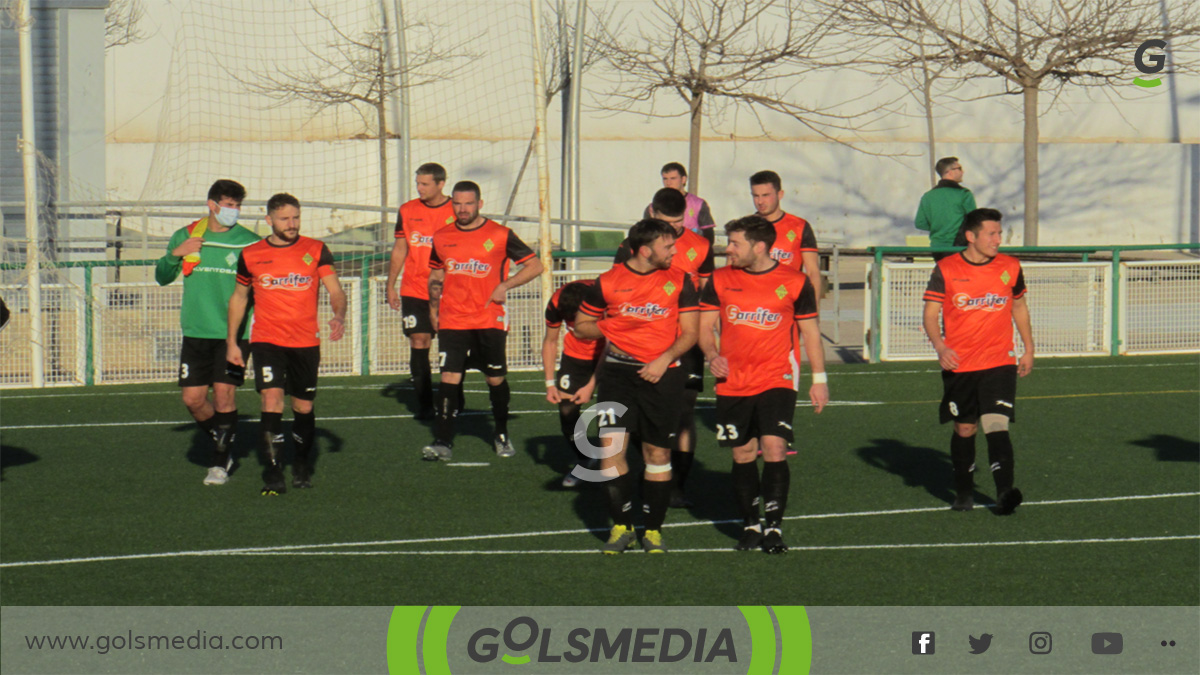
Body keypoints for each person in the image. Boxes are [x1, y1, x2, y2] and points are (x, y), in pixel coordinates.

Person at [699, 215, 828, 554]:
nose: (728, 250)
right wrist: (712, 354)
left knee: (774, 447)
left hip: (777, 377)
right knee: (742, 453)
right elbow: (704, 327)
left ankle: (773, 527)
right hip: (732, 381)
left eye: (735, 243)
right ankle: (750, 524)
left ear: (759, 246)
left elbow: (811, 333)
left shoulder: (797, 282)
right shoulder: (720, 279)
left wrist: (820, 379)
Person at [574, 218, 700, 554]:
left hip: (663, 375)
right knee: (611, 451)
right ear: (645, 250)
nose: (675, 250)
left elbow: (690, 333)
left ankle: (653, 531)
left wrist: (663, 360)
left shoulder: (681, 280)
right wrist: (613, 325)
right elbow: (581, 327)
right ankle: (620, 527)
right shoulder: (608, 282)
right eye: (668, 246)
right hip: (618, 375)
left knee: (656, 453)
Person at [226, 193, 347, 495]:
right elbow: (239, 298)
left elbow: (334, 289)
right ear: (269, 220)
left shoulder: (315, 249)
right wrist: (232, 342)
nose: (292, 224)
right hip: (267, 339)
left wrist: (339, 314)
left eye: (295, 217)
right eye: (284, 219)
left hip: (305, 341)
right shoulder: (252, 254)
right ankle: (273, 472)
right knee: (271, 400)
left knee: (303, 406)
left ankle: (302, 463)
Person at [421, 181, 544, 462]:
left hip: (489, 317)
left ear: (480, 204)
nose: (462, 209)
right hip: (453, 318)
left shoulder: (500, 235)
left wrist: (506, 285)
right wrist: (433, 307)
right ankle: (442, 441)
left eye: (468, 203)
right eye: (458, 203)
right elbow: (436, 274)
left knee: (495, 378)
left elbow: (535, 265)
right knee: (449, 377)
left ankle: (501, 434)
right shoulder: (441, 236)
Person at [922, 207, 1033, 514]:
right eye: (991, 233)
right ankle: (963, 492)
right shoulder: (946, 269)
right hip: (960, 364)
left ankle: (1004, 493)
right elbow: (931, 314)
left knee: (997, 424)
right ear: (971, 236)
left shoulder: (1010, 266)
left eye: (1000, 233)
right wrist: (941, 347)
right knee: (965, 429)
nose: (998, 239)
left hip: (1000, 360)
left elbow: (1019, 307)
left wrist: (1028, 348)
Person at [155, 179, 260, 486]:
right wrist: (176, 253)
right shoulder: (188, 235)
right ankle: (224, 439)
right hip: (196, 330)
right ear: (212, 205)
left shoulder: (250, 242)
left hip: (235, 335)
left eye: (237, 205)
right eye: (228, 204)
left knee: (225, 395)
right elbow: (162, 277)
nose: (233, 211)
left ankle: (219, 463)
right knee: (193, 400)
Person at [619, 187, 713, 507]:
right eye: (667, 222)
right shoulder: (635, 242)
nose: (674, 229)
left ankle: (677, 486)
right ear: (652, 213)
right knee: (639, 414)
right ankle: (653, 467)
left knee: (685, 412)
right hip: (643, 339)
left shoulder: (700, 246)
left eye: (679, 221)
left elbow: (709, 296)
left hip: (686, 341)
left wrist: (712, 341)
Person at [386, 162, 456, 420]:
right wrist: (390, 284)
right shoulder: (408, 210)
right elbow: (400, 248)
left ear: (441, 184)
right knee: (419, 341)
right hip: (414, 288)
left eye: (425, 184)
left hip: (449, 291)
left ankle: (453, 400)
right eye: (418, 183)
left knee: (451, 347)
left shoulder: (456, 209)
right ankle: (425, 405)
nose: (419, 188)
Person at [542, 279, 604, 487]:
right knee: (567, 412)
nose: (574, 325)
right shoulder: (556, 303)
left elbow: (617, 340)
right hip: (576, 356)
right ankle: (585, 459)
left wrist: (592, 384)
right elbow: (550, 340)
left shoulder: (605, 299)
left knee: (612, 413)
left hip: (611, 352)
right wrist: (550, 383)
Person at [749, 170, 821, 294]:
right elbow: (731, 271)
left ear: (780, 194)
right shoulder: (745, 228)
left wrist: (814, 308)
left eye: (766, 195)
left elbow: (812, 272)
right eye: (756, 196)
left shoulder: (799, 226)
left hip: (787, 299)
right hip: (753, 303)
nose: (760, 202)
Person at [915, 157, 978, 260]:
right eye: (959, 168)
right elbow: (974, 220)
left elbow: (920, 223)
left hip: (937, 247)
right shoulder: (964, 194)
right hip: (960, 246)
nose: (963, 171)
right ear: (949, 172)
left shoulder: (928, 196)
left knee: (943, 274)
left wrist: (939, 225)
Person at [641, 162, 716, 244]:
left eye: (673, 178)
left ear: (683, 179)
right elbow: (646, 233)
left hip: (691, 251)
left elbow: (708, 233)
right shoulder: (653, 207)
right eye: (665, 179)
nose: (668, 183)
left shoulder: (698, 204)